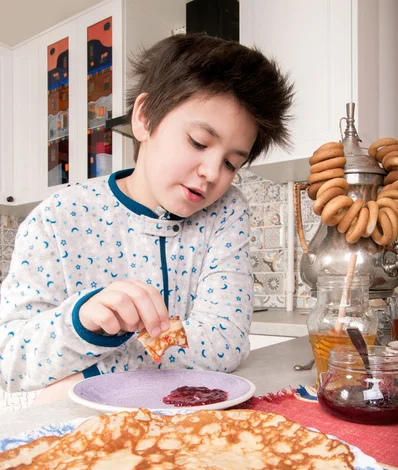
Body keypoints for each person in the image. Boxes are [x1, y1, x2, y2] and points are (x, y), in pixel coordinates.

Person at [0, 33, 294, 396]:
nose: (213, 173)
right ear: (144, 117)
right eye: (199, 142)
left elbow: (226, 341)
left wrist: (87, 379)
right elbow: (11, 361)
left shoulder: (225, 210)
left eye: (232, 163)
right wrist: (80, 323)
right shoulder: (58, 218)